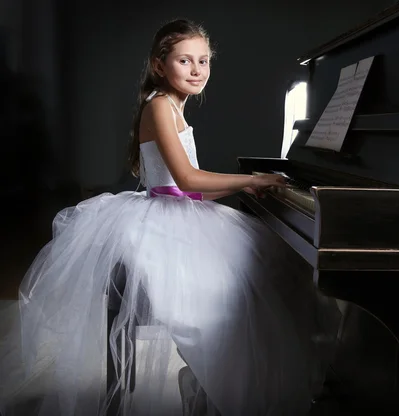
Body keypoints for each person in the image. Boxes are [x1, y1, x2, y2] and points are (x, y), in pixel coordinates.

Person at [0, 19, 340, 416]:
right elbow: (185, 178)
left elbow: (192, 189)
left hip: (180, 209)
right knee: (233, 293)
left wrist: (245, 187)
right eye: (185, 60)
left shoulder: (174, 105)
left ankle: (283, 378)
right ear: (160, 65)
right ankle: (227, 385)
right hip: (159, 219)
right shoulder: (159, 105)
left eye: (204, 61)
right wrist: (251, 177)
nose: (197, 71)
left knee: (275, 274)